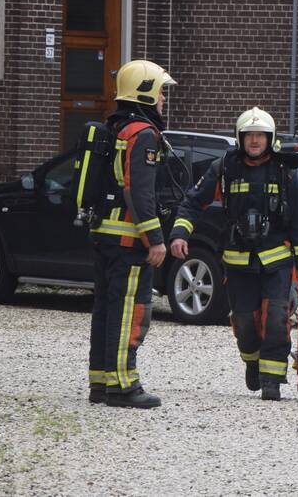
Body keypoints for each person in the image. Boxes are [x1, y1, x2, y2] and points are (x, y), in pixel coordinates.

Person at [169, 107, 298, 401]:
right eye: (249, 135)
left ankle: (272, 378)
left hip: (277, 262)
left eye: (260, 135)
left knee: (276, 318)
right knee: (246, 323)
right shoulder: (225, 168)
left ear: (270, 138)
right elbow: (192, 202)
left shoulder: (284, 171)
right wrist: (179, 233)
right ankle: (252, 360)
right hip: (237, 262)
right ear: (240, 138)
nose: (255, 140)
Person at [88, 59, 175, 409]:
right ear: (145, 92)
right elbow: (138, 191)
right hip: (128, 241)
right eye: (160, 92)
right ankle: (123, 386)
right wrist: (154, 239)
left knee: (106, 311)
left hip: (104, 235)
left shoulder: (115, 128)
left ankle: (100, 381)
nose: (163, 100)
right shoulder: (143, 134)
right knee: (130, 312)